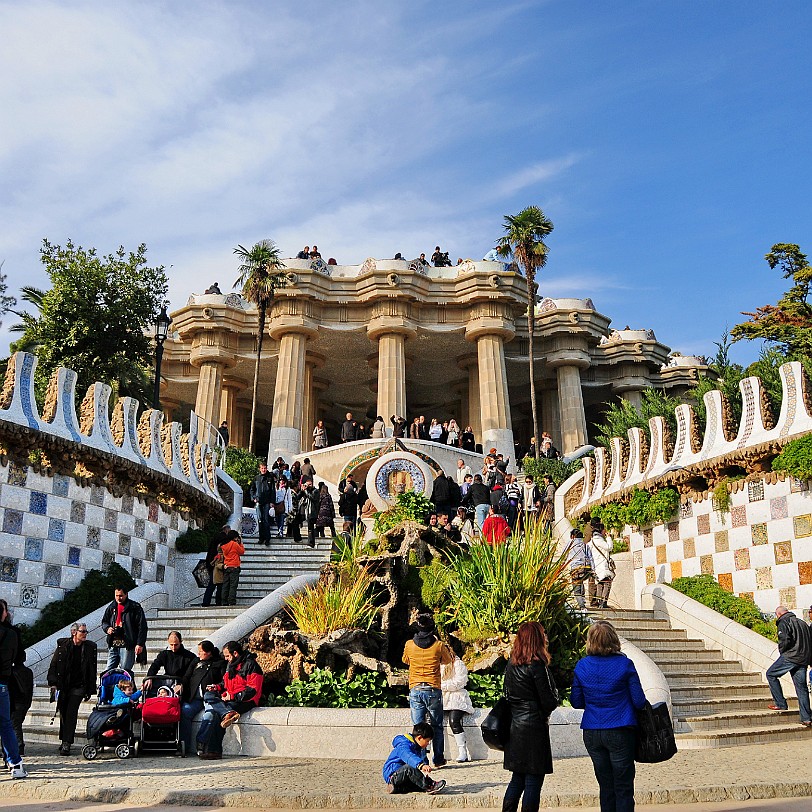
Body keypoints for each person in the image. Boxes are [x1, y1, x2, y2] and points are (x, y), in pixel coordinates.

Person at [571, 621, 647, 812]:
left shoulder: (582, 665)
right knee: (623, 786)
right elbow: (639, 701)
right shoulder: (625, 664)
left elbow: (576, 701)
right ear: (613, 639)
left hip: (592, 730)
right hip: (620, 728)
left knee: (605, 786)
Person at [502, 621, 559, 812]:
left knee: (517, 779)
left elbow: (508, 695)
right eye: (543, 634)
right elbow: (548, 701)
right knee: (534, 781)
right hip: (534, 728)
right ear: (536, 639)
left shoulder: (511, 663)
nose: (545, 637)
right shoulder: (537, 666)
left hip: (515, 726)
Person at [402, 613, 452, 768]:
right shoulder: (438, 645)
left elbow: (405, 660)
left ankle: (422, 761)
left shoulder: (409, 644)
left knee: (418, 726)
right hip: (433, 689)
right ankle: (438, 759)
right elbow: (447, 660)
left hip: (415, 688)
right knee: (436, 725)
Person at [198, 640, 263, 760]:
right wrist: (216, 687)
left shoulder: (251, 665)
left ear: (235, 653)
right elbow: (225, 683)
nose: (226, 658)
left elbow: (253, 690)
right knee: (208, 695)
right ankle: (227, 713)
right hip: (230, 698)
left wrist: (232, 696)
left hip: (246, 701)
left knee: (217, 715)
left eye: (227, 656)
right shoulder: (230, 665)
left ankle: (214, 751)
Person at [47, 620, 97, 756]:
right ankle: (64, 739)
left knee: (71, 713)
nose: (85, 634)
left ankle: (67, 743)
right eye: (82, 631)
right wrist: (53, 682)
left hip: (79, 685)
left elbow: (92, 668)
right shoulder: (63, 646)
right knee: (63, 711)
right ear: (74, 632)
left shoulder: (90, 647)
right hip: (64, 685)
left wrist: (91, 688)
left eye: (86, 631)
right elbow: (54, 664)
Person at [179, 641, 226, 757]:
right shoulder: (196, 661)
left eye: (201, 652)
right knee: (185, 711)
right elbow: (187, 676)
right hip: (194, 697)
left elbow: (224, 681)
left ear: (209, 653)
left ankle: (201, 741)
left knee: (210, 715)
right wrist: (181, 685)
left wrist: (216, 687)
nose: (199, 654)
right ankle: (184, 744)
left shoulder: (219, 663)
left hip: (210, 697)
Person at [766, 605, 812, 726]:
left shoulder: (784, 622)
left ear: (779, 614)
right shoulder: (802, 623)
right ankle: (806, 718)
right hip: (803, 659)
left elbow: (784, 639)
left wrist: (782, 652)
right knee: (802, 688)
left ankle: (780, 703)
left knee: (770, 674)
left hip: (791, 656)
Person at [382, 721, 447, 795]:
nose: (428, 743)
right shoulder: (404, 745)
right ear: (419, 738)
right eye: (427, 741)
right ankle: (429, 786)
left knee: (416, 783)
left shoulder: (416, 746)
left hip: (403, 776)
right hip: (392, 776)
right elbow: (408, 756)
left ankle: (396, 788)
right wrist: (421, 765)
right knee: (409, 768)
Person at [0, 600, 27, 778]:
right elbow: (18, 657)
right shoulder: (11, 634)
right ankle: (15, 765)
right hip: (2, 682)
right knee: (6, 725)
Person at [441, 643, 473, 762]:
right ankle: (429, 751)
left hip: (457, 697)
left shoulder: (458, 664)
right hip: (442, 698)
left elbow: (460, 682)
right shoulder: (437, 665)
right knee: (431, 719)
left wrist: (442, 686)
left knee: (454, 720)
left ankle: (462, 751)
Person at [102, 587, 147, 671]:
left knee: (125, 671)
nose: (118, 598)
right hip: (113, 643)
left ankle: (127, 684)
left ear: (126, 594)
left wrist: (140, 643)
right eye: (116, 596)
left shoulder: (134, 607)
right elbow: (104, 621)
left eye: (121, 596)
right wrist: (107, 628)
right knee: (108, 670)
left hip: (127, 644)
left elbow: (142, 626)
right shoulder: (112, 607)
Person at [202, 525, 229, 607]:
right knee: (218, 584)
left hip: (212, 563)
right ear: (226, 530)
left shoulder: (215, 537)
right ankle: (217, 602)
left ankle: (206, 602)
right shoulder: (224, 539)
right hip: (218, 564)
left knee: (212, 584)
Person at [588, 521, 614, 609]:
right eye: (604, 530)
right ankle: (603, 602)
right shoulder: (599, 541)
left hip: (596, 566)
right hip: (603, 565)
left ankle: (599, 602)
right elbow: (609, 547)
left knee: (600, 584)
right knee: (607, 583)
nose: (605, 531)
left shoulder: (590, 542)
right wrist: (609, 538)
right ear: (601, 531)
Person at [250, 462, 275, 546]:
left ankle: (267, 538)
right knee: (260, 520)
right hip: (258, 502)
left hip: (267, 502)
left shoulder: (270, 478)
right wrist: (253, 498)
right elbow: (252, 489)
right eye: (262, 468)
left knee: (266, 520)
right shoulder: (256, 478)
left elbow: (273, 491)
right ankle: (261, 538)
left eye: (265, 468)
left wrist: (272, 502)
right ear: (260, 469)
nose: (263, 470)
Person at [567, 529, 591, 610]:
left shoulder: (570, 544)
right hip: (585, 569)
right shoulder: (585, 545)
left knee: (576, 589)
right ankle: (583, 601)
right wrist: (593, 569)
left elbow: (564, 555)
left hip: (575, 568)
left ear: (573, 536)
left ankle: (582, 606)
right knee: (581, 583)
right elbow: (590, 557)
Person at [220, 530, 245, 606]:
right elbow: (242, 552)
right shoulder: (234, 544)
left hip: (227, 566)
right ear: (234, 537)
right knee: (233, 585)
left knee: (225, 585)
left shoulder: (223, 545)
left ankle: (224, 601)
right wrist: (240, 543)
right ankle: (231, 601)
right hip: (234, 566)